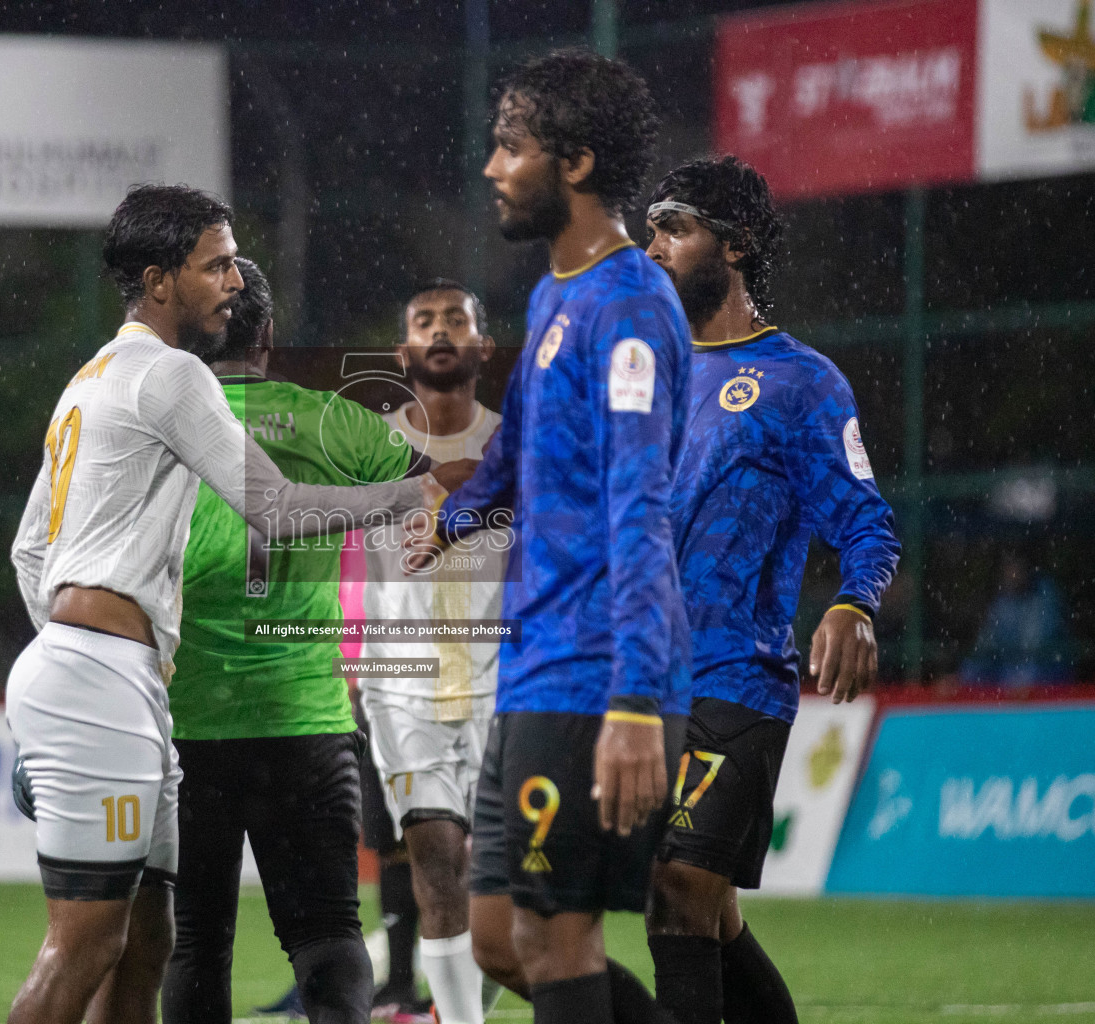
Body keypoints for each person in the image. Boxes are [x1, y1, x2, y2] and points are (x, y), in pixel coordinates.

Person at [4, 185, 445, 1024]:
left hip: (121, 680)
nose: (235, 282)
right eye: (216, 265)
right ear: (159, 279)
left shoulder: (91, 376)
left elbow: (30, 550)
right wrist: (406, 495)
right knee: (87, 945)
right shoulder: (172, 372)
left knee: (155, 940)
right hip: (117, 680)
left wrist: (79, 647)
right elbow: (275, 509)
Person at [412, 49, 692, 1024]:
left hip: (595, 675)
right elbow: (519, 457)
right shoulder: (554, 298)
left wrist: (635, 701)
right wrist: (448, 519)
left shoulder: (627, 307)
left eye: (510, 146)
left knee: (557, 937)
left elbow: (640, 506)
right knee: (496, 937)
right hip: (535, 665)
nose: (493, 167)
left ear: (572, 164)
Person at [161, 257, 473, 1024]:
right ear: (267, 333)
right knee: (329, 935)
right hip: (305, 715)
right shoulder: (327, 419)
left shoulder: (155, 422)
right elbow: (442, 489)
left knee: (196, 942)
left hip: (189, 716)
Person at [642, 156, 900, 1024]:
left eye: (673, 227)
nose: (653, 247)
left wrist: (853, 603)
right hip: (641, 684)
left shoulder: (799, 383)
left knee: (678, 892)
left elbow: (868, 522)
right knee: (706, 911)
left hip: (737, 681)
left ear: (737, 244)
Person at [358, 279, 506, 1024]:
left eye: (457, 321)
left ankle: (465, 1001)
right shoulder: (370, 445)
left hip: (503, 684)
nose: (442, 331)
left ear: (482, 345)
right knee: (436, 856)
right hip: (402, 687)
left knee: (500, 880)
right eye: (425, 321)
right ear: (403, 350)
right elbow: (342, 562)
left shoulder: (517, 443)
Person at [959, 552, 1071, 688]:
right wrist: (962, 678)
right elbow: (986, 643)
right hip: (1009, 669)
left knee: (1026, 675)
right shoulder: (1002, 602)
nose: (1011, 573)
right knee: (972, 671)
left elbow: (1033, 645)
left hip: (1044, 668)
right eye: (1007, 567)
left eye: (1015, 567)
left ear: (1027, 570)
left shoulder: (1044, 594)